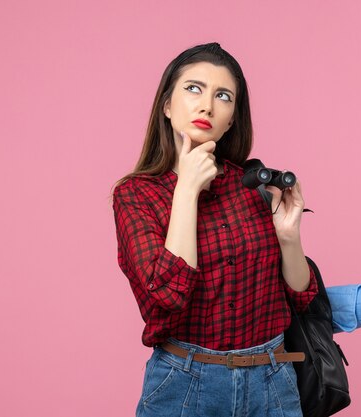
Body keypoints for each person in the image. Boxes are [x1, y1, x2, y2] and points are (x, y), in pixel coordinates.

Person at [112, 42, 318, 417]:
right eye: (193, 88)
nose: (207, 105)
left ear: (232, 119)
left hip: (272, 380)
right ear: (167, 105)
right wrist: (187, 189)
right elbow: (168, 296)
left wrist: (289, 237)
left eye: (223, 96)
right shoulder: (136, 195)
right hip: (183, 383)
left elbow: (301, 299)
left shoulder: (253, 186)